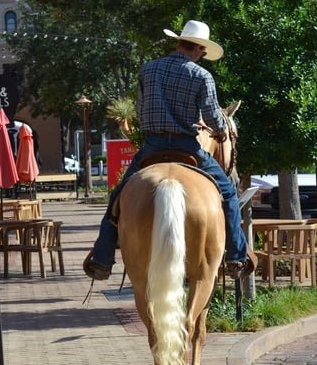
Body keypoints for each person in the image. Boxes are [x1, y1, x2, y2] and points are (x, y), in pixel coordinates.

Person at [83, 20, 254, 281]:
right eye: (203, 52)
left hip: (152, 146)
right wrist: (220, 129)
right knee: (229, 193)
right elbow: (212, 115)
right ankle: (236, 256)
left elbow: (140, 111)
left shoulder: (148, 70)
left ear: (179, 42)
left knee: (118, 197)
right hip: (188, 146)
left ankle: (103, 259)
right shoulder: (201, 76)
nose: (202, 57)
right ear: (197, 48)